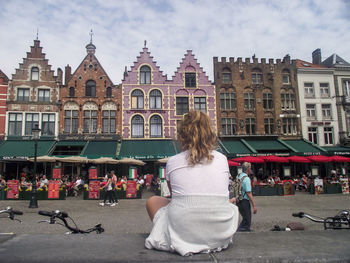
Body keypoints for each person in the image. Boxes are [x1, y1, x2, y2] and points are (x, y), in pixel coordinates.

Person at [145, 110, 239, 256]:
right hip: (219, 233)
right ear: (210, 134)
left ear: (181, 137)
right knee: (231, 207)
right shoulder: (222, 159)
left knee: (152, 201)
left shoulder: (173, 162)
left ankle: (183, 235)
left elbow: (174, 197)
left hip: (183, 228)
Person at [236, 162, 257, 232]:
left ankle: (244, 230)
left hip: (238, 200)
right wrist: (254, 205)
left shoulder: (238, 176)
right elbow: (249, 193)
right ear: (248, 169)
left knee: (245, 218)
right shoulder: (247, 179)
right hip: (244, 200)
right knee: (247, 219)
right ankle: (241, 232)